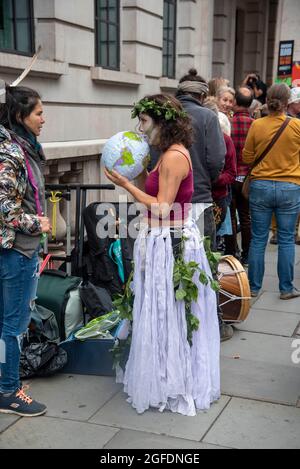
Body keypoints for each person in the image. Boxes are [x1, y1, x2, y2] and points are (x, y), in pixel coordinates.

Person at [105, 94, 220, 416]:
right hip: (161, 239)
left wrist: (126, 185)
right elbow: (154, 192)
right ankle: (162, 373)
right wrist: (138, 172)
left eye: (144, 122)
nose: (140, 128)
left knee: (168, 309)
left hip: (171, 242)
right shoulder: (164, 154)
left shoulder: (173, 157)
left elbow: (161, 206)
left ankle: (173, 378)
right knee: (159, 308)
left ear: (162, 123)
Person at [0, 85, 51, 416]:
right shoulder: (10, 154)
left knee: (8, 321)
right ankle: (8, 392)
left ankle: (6, 381)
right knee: (14, 324)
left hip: (20, 250)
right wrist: (38, 224)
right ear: (20, 116)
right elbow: (4, 207)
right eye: (38, 113)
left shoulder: (22, 148)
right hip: (17, 250)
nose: (44, 118)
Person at [243, 83, 300, 300]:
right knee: (286, 238)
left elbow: (247, 158)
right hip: (290, 187)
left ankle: (253, 287)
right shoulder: (296, 126)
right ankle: (286, 288)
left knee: (259, 238)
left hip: (261, 186)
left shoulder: (257, 125)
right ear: (287, 103)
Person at [224, 87, 254, 266]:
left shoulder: (228, 123)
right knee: (246, 216)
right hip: (247, 177)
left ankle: (232, 253)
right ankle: (247, 254)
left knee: (231, 216)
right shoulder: (254, 124)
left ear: (235, 102)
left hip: (231, 175)